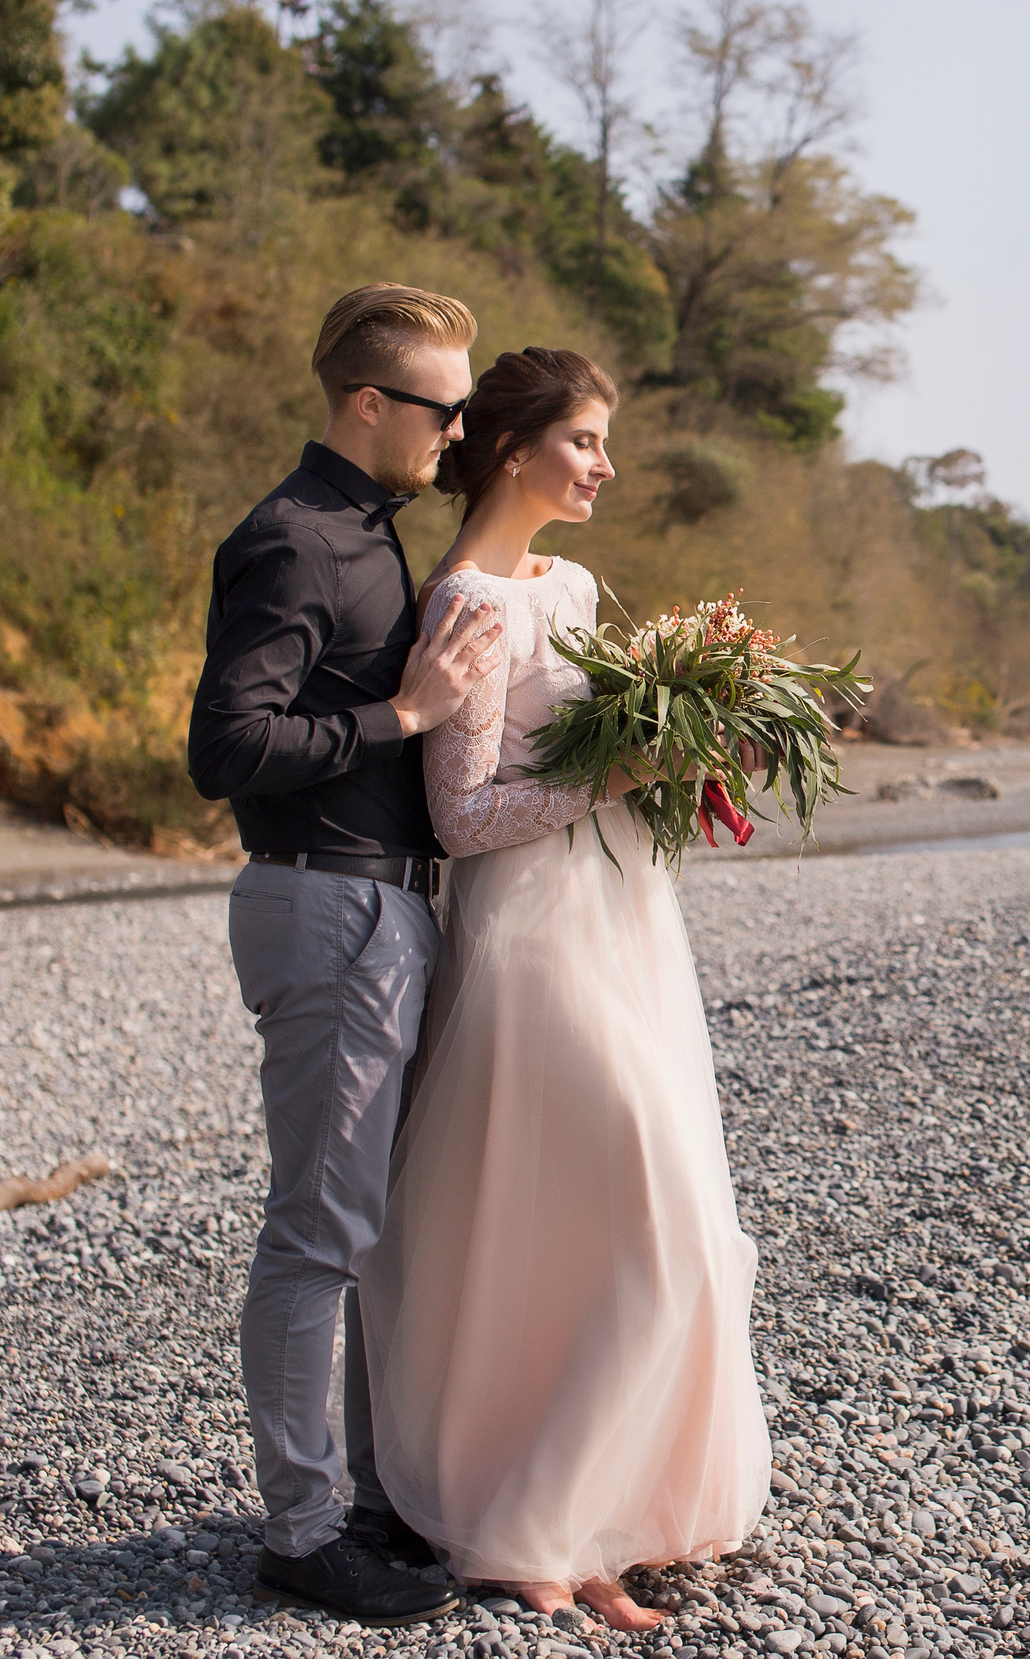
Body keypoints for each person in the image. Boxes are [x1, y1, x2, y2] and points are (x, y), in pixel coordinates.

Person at [356, 347, 771, 1631]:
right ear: (516, 445)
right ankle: (527, 1526)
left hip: (623, 926)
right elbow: (464, 816)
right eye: (585, 440)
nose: (603, 464)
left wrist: (690, 735)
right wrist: (624, 776)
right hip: (531, 951)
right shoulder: (468, 603)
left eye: (603, 442)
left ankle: (600, 1522)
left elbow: (604, 745)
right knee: (647, 1227)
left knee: (642, 1226)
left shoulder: (576, 584)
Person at [188, 283, 505, 1626]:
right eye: (445, 410)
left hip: (382, 904)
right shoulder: (296, 540)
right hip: (325, 901)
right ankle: (304, 1529)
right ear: (369, 404)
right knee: (317, 1231)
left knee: (368, 1228)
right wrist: (405, 711)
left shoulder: (373, 535)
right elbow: (225, 748)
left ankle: (374, 1495)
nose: (460, 433)